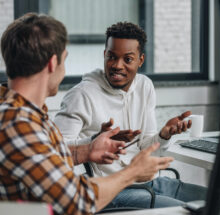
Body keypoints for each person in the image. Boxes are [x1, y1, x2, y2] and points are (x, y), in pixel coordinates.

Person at [0, 13, 173, 215]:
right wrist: (132, 172)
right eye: (64, 60)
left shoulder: (21, 114)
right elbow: (77, 202)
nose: (64, 71)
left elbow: (45, 162)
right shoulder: (18, 126)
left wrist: (87, 150)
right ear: (51, 63)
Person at [54, 21, 207, 208]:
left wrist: (164, 135)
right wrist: (94, 141)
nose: (117, 65)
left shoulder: (145, 86)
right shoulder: (81, 95)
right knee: (189, 211)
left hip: (150, 182)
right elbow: (55, 152)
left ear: (140, 60)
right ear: (104, 55)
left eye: (127, 59)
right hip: (112, 192)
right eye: (111, 57)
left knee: (219, 198)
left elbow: (146, 149)